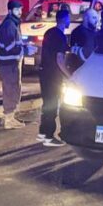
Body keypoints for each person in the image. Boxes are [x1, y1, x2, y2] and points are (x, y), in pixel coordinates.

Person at [0, 0, 36, 129]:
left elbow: (14, 43)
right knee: (10, 90)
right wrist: (25, 50)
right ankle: (8, 120)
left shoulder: (13, 23)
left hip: (12, 62)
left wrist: (24, 46)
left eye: (20, 9)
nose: (20, 12)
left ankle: (11, 117)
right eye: (17, 9)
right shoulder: (9, 25)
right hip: (9, 63)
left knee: (14, 89)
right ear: (10, 11)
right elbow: (9, 47)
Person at [38, 9, 71, 147]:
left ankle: (42, 132)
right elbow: (59, 59)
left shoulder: (49, 32)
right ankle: (49, 136)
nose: (69, 21)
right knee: (52, 105)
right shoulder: (60, 36)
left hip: (44, 72)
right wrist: (69, 76)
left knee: (46, 103)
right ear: (64, 19)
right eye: (69, 18)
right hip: (53, 76)